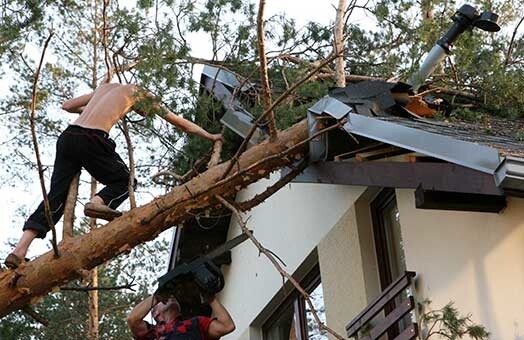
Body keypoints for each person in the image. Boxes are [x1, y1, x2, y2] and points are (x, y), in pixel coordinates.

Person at [4, 82, 223, 269]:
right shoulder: (140, 93)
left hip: (68, 137)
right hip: (93, 139)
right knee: (126, 182)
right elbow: (180, 123)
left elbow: (67, 106)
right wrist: (211, 136)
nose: (143, 114)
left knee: (55, 197)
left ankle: (19, 250)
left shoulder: (104, 87)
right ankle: (97, 202)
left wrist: (92, 113)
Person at [127, 294, 235, 340]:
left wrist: (211, 298)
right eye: (166, 299)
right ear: (156, 314)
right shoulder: (152, 334)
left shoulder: (196, 323)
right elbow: (132, 319)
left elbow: (227, 326)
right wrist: (156, 297)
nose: (171, 297)